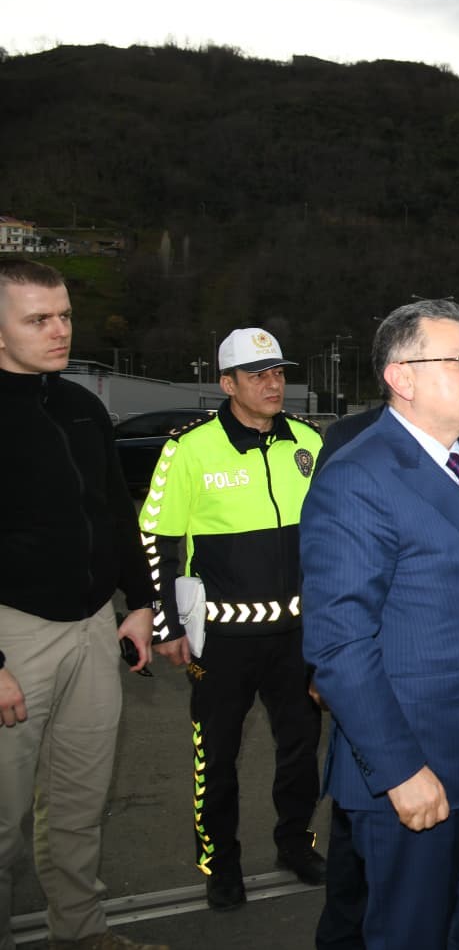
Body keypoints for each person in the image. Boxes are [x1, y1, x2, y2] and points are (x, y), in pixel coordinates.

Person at [301, 299, 459, 950]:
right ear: (401, 377)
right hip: (417, 771)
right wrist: (400, 770)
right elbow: (339, 645)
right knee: (414, 936)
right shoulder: (358, 477)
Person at [0, 260, 169, 950]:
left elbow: (115, 513)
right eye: (38, 319)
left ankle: (82, 933)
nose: (60, 330)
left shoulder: (82, 406)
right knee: (2, 818)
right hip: (14, 633)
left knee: (79, 801)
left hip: (96, 623)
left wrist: (141, 601)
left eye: (65, 315)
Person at [141, 326, 325, 911]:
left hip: (298, 633)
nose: (273, 384)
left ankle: (295, 843)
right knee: (216, 756)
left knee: (301, 748)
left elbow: (332, 534)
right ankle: (219, 863)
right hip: (222, 639)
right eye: (257, 374)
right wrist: (167, 625)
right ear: (227, 384)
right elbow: (157, 538)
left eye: (278, 372)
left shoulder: (309, 442)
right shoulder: (189, 449)